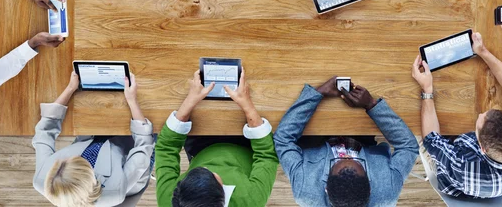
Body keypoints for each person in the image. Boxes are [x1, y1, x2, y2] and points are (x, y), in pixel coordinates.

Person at [412, 32, 502, 198]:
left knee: (416, 131)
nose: (480, 114)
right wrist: (482, 51)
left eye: (479, 123)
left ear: (482, 148)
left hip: (456, 176)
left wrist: (427, 89)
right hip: (496, 182)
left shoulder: (463, 168)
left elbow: (431, 140)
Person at [274, 77, 419, 207]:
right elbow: (409, 146)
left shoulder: (306, 192)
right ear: (370, 186)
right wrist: (371, 105)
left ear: (325, 187)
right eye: (357, 162)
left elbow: (283, 140)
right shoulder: (387, 193)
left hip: (314, 137)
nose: (346, 155)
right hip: (361, 135)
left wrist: (317, 94)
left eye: (337, 161)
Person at [155, 69, 278, 207]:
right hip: (248, 144)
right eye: (212, 173)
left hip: (200, 147)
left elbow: (165, 149)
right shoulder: (249, 201)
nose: (209, 166)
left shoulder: (169, 200)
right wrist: (248, 106)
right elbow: (267, 156)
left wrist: (189, 101)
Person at [33, 72, 155, 206]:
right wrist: (132, 100)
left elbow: (44, 132)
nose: (65, 156)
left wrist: (70, 89)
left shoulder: (42, 179)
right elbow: (143, 147)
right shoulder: (114, 190)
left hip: (91, 139)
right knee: (153, 123)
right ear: (90, 172)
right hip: (129, 154)